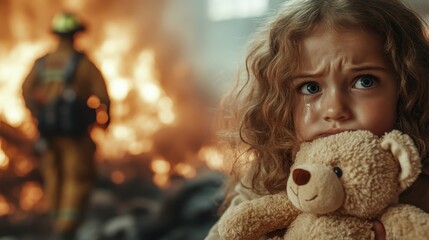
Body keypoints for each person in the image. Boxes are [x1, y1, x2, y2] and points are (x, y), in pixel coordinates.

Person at [205, 0, 429, 239]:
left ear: (406, 88)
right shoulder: (267, 179)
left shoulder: (421, 187)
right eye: (310, 87)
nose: (334, 110)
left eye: (365, 81)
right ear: (282, 102)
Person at [22, 12, 110, 240]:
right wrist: (105, 119)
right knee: (76, 177)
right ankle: (66, 227)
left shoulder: (42, 63)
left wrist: (37, 113)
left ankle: (55, 221)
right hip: (76, 136)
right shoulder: (83, 64)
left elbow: (25, 91)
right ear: (75, 35)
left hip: (49, 133)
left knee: (53, 175)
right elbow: (103, 96)